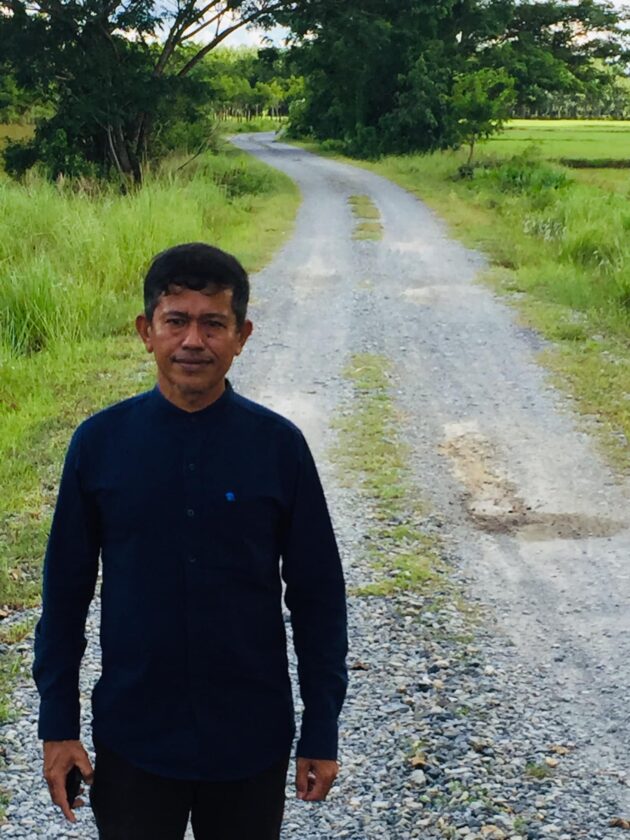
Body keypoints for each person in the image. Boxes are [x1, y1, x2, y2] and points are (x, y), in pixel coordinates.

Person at [33, 242, 348, 839]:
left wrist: (321, 727)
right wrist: (58, 726)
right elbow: (64, 597)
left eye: (213, 324)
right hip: (134, 737)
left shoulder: (279, 448)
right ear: (146, 332)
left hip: (250, 739)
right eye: (175, 321)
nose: (193, 341)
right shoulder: (98, 446)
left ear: (242, 336)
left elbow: (319, 598)